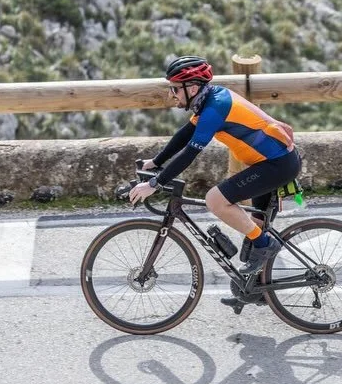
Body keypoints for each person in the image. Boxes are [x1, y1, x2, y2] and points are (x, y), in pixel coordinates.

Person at [128, 55, 302, 277]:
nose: (171, 95)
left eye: (175, 89)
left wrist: (155, 183)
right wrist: (156, 162)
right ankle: (257, 290)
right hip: (272, 162)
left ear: (191, 88)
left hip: (276, 165)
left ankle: (265, 245)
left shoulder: (215, 108)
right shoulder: (208, 100)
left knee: (216, 200)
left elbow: (190, 152)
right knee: (252, 237)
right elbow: (184, 135)